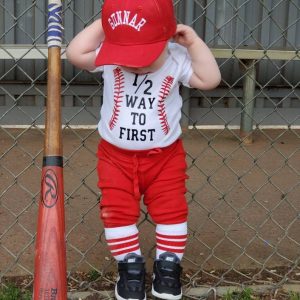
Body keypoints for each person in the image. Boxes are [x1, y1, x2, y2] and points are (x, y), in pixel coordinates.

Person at [66, 0, 221, 299]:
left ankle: (168, 266)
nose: (135, 63)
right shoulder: (112, 53)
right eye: (129, 54)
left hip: (164, 157)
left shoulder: (176, 56)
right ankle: (130, 267)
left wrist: (194, 43)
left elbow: (209, 79)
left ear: (166, 36)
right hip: (115, 157)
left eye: (143, 54)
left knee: (172, 210)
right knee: (117, 213)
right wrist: (112, 25)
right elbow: (75, 53)